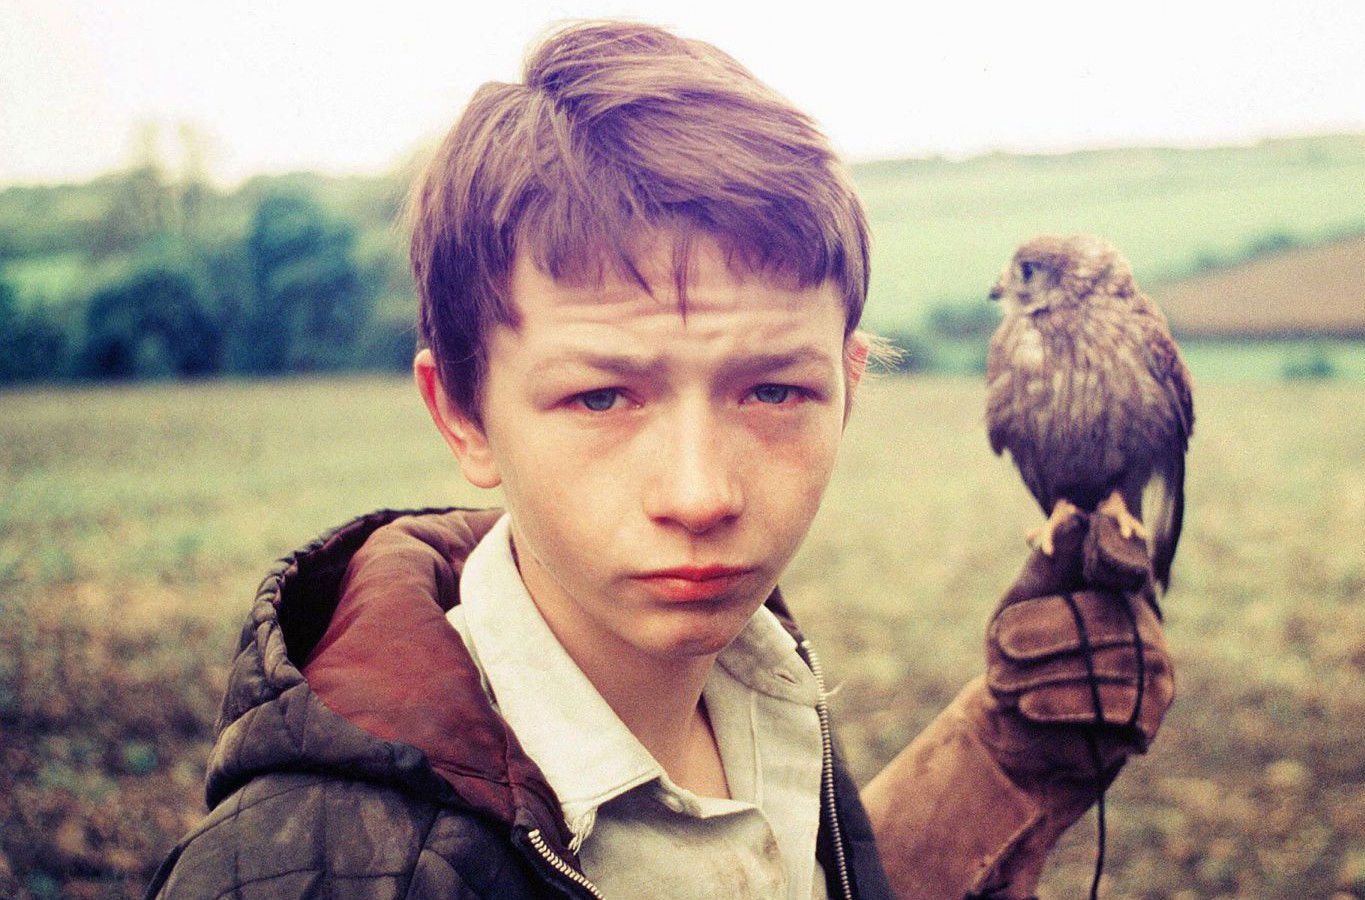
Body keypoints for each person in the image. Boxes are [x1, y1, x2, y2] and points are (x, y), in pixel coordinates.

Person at [146, 20, 1173, 900]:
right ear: (462, 414)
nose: (700, 494)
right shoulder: (312, 873)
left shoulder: (772, 703)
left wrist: (996, 772)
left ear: (849, 387)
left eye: (773, 392)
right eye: (601, 397)